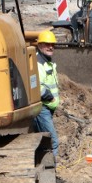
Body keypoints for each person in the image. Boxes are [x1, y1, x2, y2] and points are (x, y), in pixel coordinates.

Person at [33, 30, 60, 160]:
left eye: (52, 44)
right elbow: (38, 88)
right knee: (52, 141)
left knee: (43, 140)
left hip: (48, 108)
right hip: (42, 108)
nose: (50, 47)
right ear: (39, 45)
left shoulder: (47, 62)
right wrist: (51, 97)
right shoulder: (38, 64)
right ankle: (51, 173)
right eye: (46, 44)